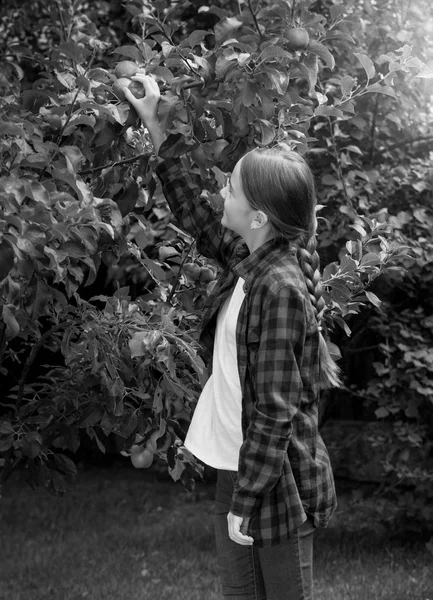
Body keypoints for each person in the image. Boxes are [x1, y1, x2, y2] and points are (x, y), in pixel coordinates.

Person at [124, 75, 339, 600]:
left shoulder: (279, 288)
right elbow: (196, 217)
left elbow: (275, 409)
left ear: (259, 217)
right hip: (236, 466)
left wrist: (247, 498)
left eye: (233, 189)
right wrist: (156, 125)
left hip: (272, 481)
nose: (222, 189)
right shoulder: (250, 259)